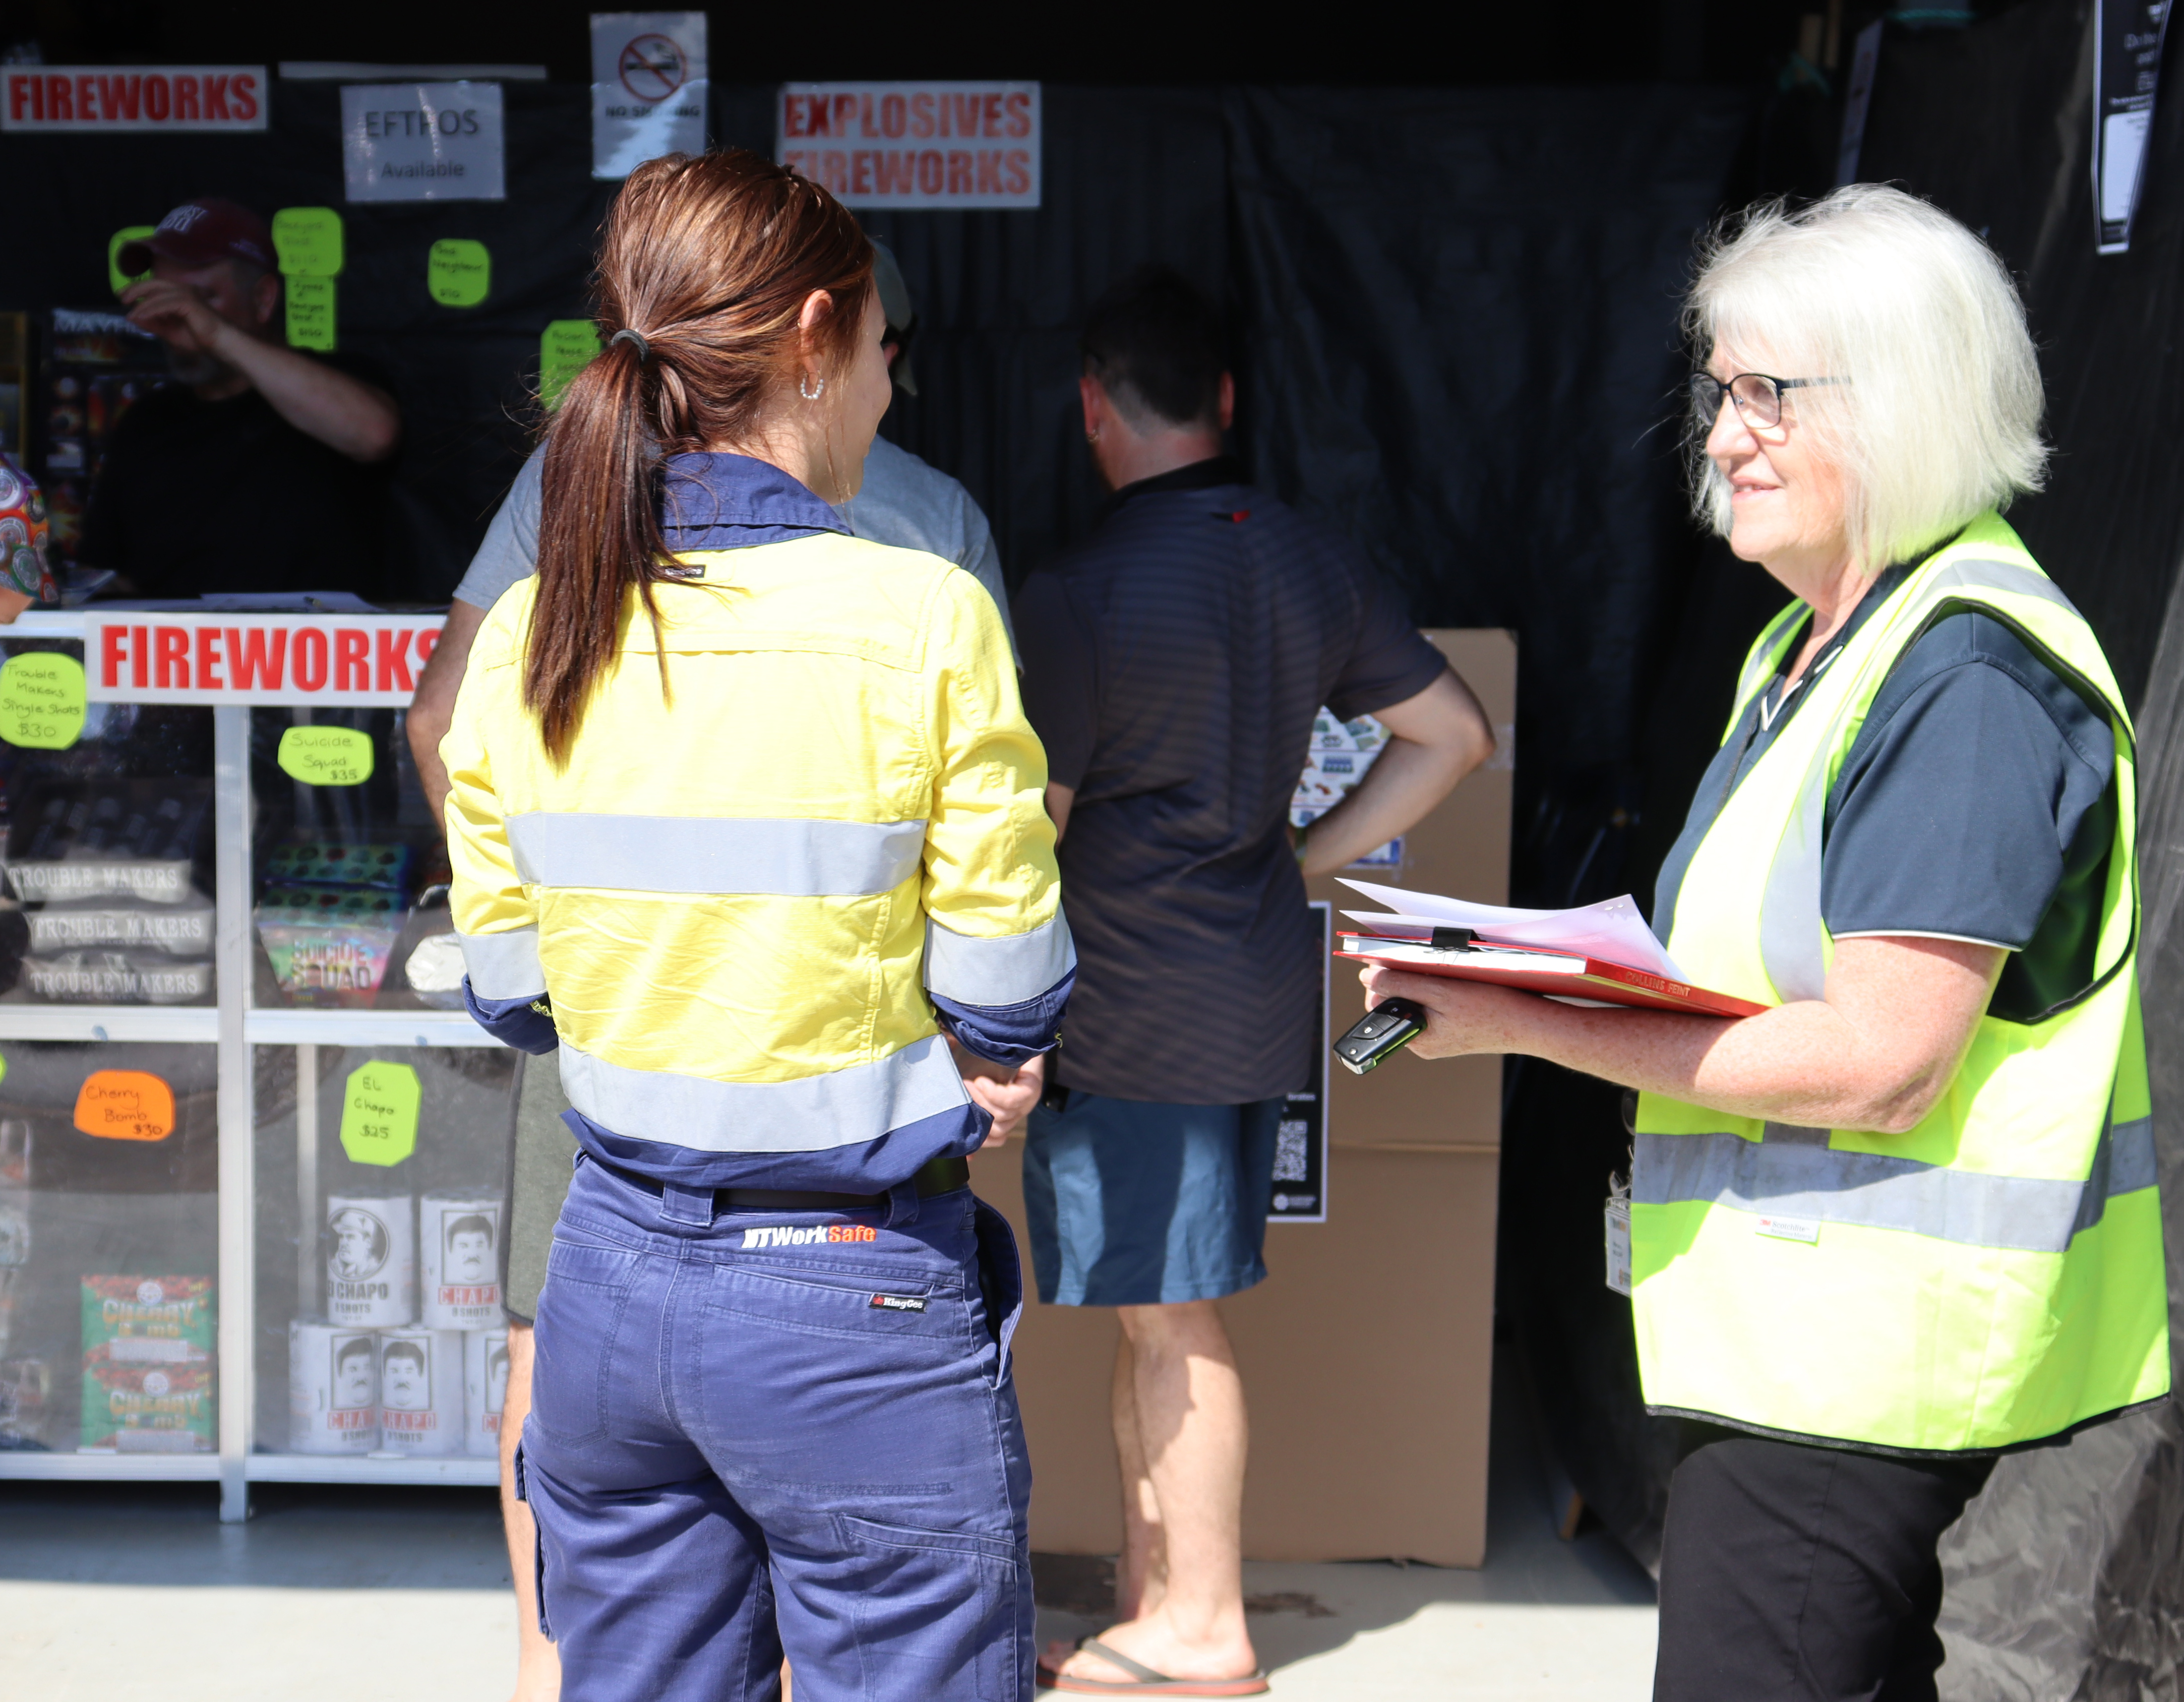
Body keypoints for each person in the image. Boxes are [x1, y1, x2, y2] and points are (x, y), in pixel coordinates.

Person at [1361, 185, 2169, 1702]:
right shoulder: (1809, 648)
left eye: (1763, 395)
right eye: (1715, 390)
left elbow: (1879, 1062)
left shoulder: (1965, 675)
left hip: (1855, 1368)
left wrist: (1529, 1022)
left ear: (1903, 406)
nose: (1720, 434)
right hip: (1792, 1344)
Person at [441, 149, 1067, 1702]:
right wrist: (989, 1059)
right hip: (850, 1290)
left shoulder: (535, 628)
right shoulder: (918, 612)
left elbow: (513, 987)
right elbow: (1006, 970)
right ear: (810, 337)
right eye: (873, 349)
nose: (880, 387)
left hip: (608, 1279)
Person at [1013, 266, 1494, 1695]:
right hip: (1245, 982)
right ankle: (1149, 1589)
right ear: (1222, 404)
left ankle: (1202, 1629)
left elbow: (1029, 827)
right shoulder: (1306, 556)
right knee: (1157, 1299)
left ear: (1093, 411)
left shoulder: (1078, 590)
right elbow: (1451, 732)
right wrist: (1295, 859)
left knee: (1170, 1312)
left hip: (1127, 999)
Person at [79, 197, 401, 598]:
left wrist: (216, 335)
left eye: (200, 297)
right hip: (175, 654)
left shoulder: (339, 382)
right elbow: (111, 572)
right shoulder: (147, 422)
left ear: (264, 298)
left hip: (314, 653)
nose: (179, 314)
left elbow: (374, 434)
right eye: (163, 295)